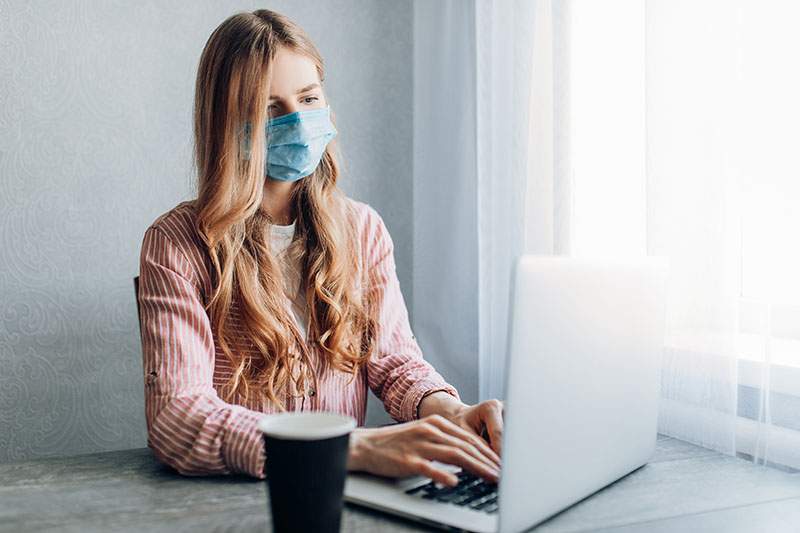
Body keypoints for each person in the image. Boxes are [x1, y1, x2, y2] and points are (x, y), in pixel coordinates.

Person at [137, 8, 503, 489]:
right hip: (241, 498)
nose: (297, 121)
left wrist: (447, 410)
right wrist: (352, 447)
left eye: (308, 99)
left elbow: (394, 361)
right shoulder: (175, 245)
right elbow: (177, 417)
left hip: (342, 494)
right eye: (270, 109)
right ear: (227, 124)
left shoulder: (363, 230)